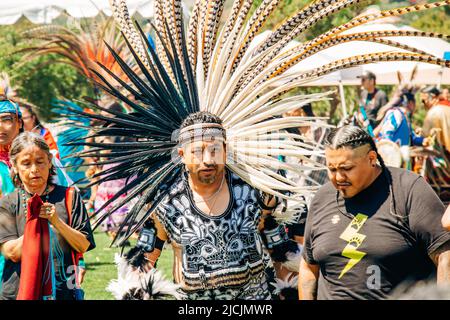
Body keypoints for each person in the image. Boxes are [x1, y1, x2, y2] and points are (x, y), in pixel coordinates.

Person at [299, 125, 450, 300]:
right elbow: (308, 267)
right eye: (332, 169)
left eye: (346, 168)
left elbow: (445, 256)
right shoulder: (322, 198)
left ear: (372, 158)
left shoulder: (408, 190)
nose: (338, 177)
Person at [0, 132, 95, 300]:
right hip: (18, 292)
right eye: (26, 164)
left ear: (50, 162)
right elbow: (12, 252)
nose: (34, 170)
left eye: (40, 162)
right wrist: (35, 222)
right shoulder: (8, 203)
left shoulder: (69, 197)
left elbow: (83, 245)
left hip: (65, 290)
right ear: (14, 166)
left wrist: (56, 222)